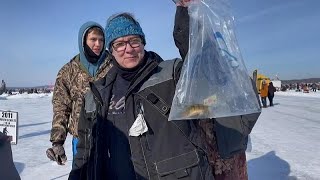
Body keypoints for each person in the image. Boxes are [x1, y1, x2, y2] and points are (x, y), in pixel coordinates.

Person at [70, 1, 260, 179]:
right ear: (110, 50)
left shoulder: (172, 76)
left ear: (143, 43)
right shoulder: (96, 95)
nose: (128, 49)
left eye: (134, 41)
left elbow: (202, 61)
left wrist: (187, 13)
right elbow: (84, 153)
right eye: (119, 44)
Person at [46, 21, 113, 166]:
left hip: (113, 136)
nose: (98, 44)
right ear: (83, 41)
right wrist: (57, 141)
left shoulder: (114, 64)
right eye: (93, 39)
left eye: (101, 40)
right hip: (81, 138)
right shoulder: (68, 71)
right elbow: (61, 107)